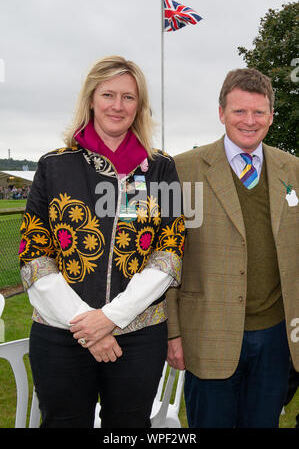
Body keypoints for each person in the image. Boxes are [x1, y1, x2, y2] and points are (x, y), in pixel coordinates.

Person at [19, 55, 185, 428]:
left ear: (139, 105)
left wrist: (112, 318)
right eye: (108, 94)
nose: (117, 105)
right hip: (60, 333)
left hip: (138, 335)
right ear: (91, 98)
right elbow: (34, 255)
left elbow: (169, 252)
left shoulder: (161, 168)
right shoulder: (53, 165)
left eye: (128, 97)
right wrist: (89, 327)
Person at [167, 68, 299, 428]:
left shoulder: (293, 170)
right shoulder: (181, 170)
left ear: (271, 116)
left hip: (275, 338)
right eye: (239, 111)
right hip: (207, 334)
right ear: (221, 113)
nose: (249, 121)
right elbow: (161, 257)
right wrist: (172, 332)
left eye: (258, 112)